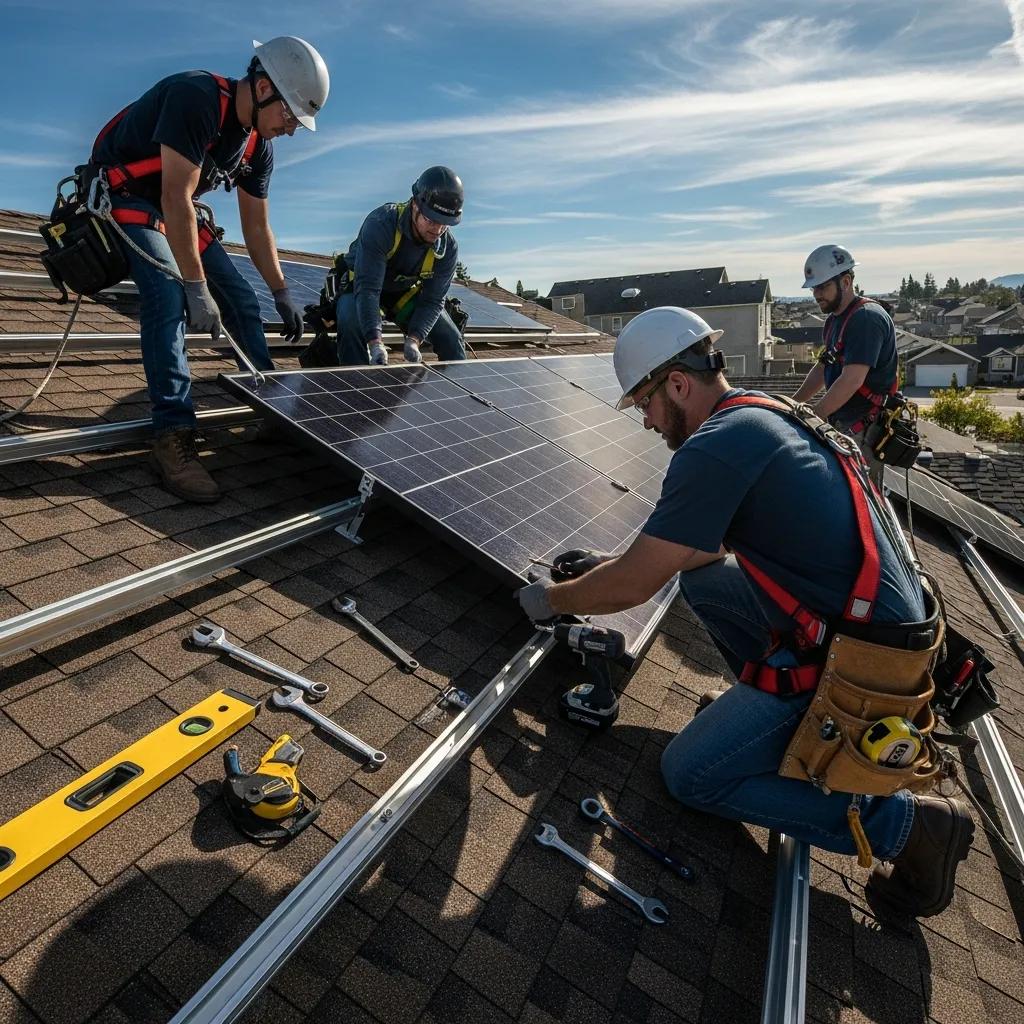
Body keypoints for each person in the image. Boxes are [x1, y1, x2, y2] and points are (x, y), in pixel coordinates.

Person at [516, 305, 974, 922]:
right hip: (871, 633)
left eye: (645, 403)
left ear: (677, 384)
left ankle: (908, 827)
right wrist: (614, 562)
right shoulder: (760, 413)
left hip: (861, 665)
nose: (647, 421)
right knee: (702, 581)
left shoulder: (715, 447)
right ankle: (767, 722)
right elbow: (702, 550)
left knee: (689, 776)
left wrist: (551, 600)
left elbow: (632, 587)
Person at [88, 37, 330, 502]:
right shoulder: (196, 97)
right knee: (167, 294)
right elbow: (175, 198)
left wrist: (280, 292)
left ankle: (268, 408)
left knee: (240, 298)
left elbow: (257, 227)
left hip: (172, 207)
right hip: (126, 196)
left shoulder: (258, 145)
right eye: (290, 115)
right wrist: (197, 288)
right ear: (262, 87)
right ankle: (172, 436)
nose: (293, 129)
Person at [320, 166, 465, 367]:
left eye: (445, 224)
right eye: (431, 220)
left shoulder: (448, 247)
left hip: (401, 295)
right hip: (361, 288)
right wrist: (375, 343)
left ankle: (460, 395)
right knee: (351, 321)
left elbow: (433, 301)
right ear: (415, 205)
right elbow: (369, 289)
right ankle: (355, 389)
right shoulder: (381, 224)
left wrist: (415, 340)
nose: (438, 230)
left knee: (451, 338)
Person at [791, 245, 899, 485]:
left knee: (860, 501)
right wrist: (794, 403)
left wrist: (814, 416)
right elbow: (823, 367)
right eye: (814, 288)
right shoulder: (834, 321)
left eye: (823, 286)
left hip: (863, 430)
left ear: (846, 281)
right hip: (843, 425)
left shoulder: (866, 319)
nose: (817, 294)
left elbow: (852, 380)